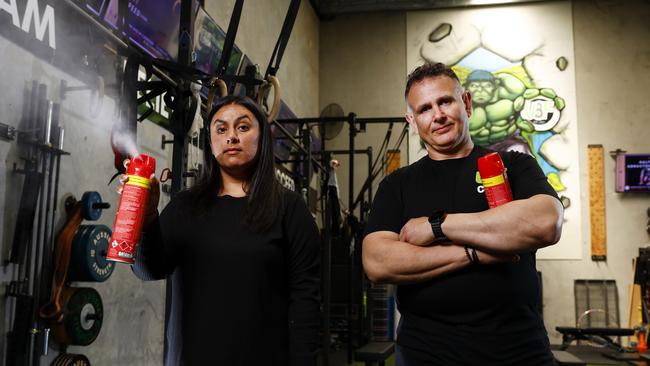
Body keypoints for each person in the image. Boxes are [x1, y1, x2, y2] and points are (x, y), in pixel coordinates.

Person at [362, 63, 563, 365]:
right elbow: (377, 261)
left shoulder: (513, 165)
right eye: (425, 109)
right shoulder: (398, 185)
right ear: (412, 121)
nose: (438, 115)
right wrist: (475, 253)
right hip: (425, 353)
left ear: (466, 103)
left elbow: (545, 222)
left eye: (445, 101)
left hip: (518, 351)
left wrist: (438, 226)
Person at [127, 95, 321, 365]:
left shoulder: (289, 209)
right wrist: (147, 217)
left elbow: (305, 303)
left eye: (243, 127)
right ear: (211, 140)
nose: (232, 137)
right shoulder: (186, 205)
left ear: (262, 137)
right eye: (221, 129)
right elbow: (147, 270)